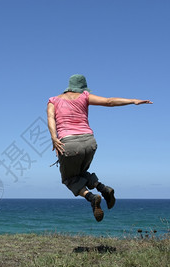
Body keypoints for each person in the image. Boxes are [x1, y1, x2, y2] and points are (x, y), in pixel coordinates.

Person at [47, 74, 152, 222]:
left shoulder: (53, 101)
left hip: (68, 144)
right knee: (81, 172)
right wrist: (133, 101)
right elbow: (109, 102)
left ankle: (92, 197)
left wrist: (54, 137)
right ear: (82, 87)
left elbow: (51, 118)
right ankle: (103, 188)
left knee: (69, 179)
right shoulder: (85, 96)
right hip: (89, 142)